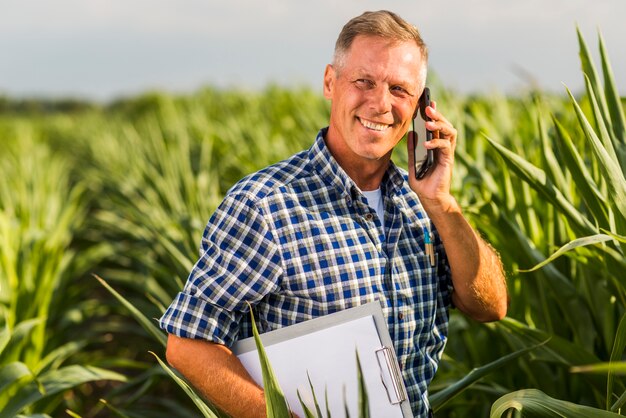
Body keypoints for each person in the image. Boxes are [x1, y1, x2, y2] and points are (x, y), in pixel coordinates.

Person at [159, 10, 508, 418]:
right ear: (330, 82)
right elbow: (187, 343)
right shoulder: (266, 205)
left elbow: (490, 307)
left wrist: (443, 205)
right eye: (364, 81)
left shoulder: (422, 206)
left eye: (400, 89)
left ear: (420, 108)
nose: (380, 103)